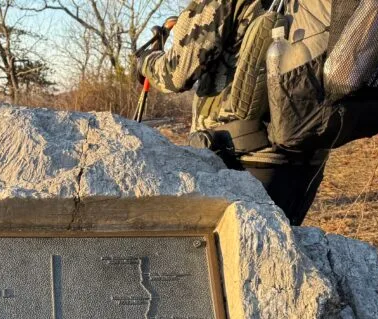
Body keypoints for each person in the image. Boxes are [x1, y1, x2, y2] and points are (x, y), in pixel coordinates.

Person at [136, 0, 329, 225]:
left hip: (239, 157)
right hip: (310, 153)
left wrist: (144, 61)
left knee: (225, 255)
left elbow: (174, 73)